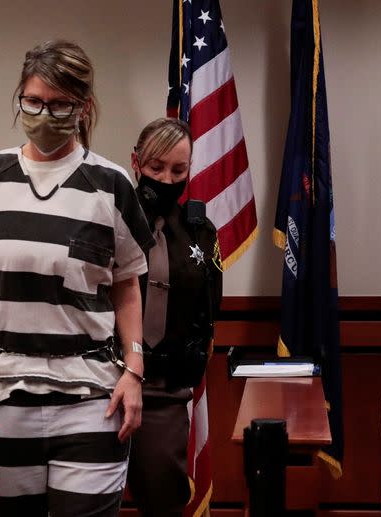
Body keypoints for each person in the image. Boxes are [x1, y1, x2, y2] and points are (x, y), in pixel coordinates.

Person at [0, 40, 155, 517]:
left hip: (91, 394)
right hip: (0, 393)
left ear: (84, 107)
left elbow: (127, 284)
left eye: (60, 105)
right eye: (33, 102)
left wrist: (134, 370)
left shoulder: (110, 184)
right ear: (20, 98)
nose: (44, 114)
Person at [125, 118, 223, 517]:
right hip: (100, 384)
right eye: (156, 168)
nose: (167, 179)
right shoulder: (113, 220)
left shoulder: (201, 232)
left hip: (165, 392)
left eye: (179, 170)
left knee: (163, 504)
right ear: (135, 163)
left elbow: (209, 309)